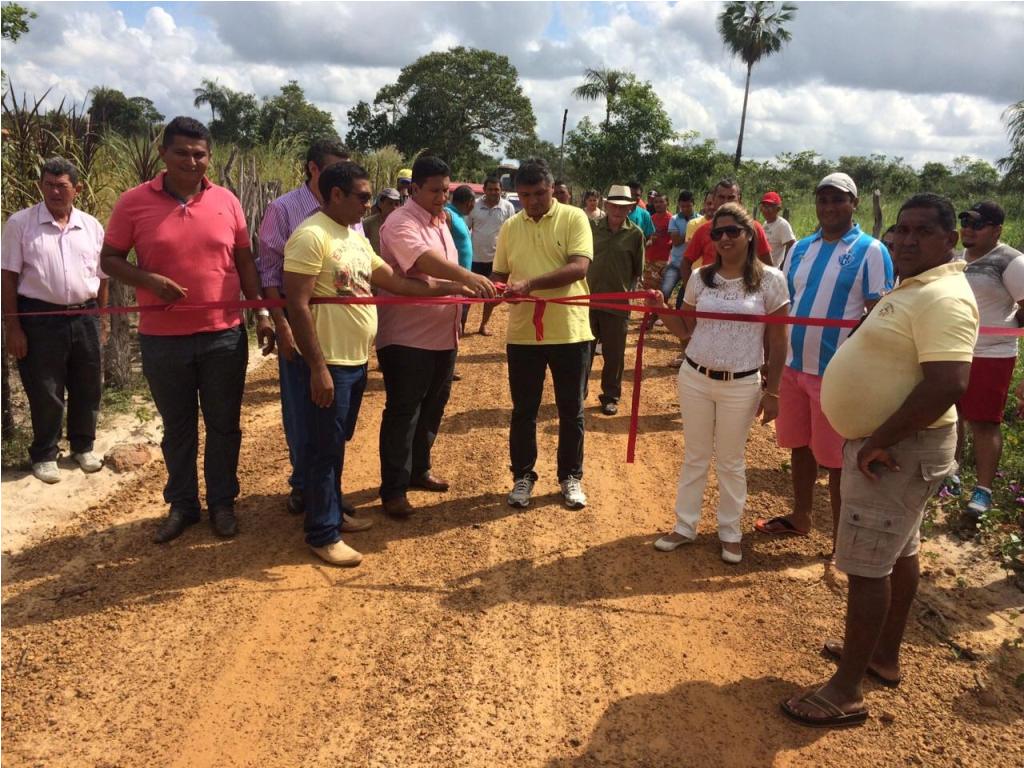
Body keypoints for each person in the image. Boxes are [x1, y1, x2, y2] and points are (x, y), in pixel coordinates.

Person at [782, 193, 978, 728]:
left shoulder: (944, 297)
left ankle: (845, 690)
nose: (907, 240)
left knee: (866, 567)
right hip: (894, 447)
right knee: (898, 553)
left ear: (950, 240)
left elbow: (949, 383)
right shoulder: (917, 287)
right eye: (902, 230)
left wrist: (877, 441)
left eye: (922, 232)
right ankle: (881, 656)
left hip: (894, 452)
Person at [283, 162, 472, 566]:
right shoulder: (310, 236)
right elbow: (296, 305)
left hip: (353, 360)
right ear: (336, 195)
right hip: (327, 361)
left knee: (335, 445)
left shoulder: (353, 237)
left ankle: (334, 513)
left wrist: (462, 286)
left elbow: (398, 282)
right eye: (363, 197)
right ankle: (322, 533)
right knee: (321, 448)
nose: (370, 203)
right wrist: (316, 367)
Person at [100, 116, 274, 543]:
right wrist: (148, 280)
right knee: (178, 428)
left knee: (224, 425)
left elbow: (244, 262)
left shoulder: (227, 201)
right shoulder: (133, 202)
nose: (192, 162)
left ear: (209, 156)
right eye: (182, 152)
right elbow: (110, 260)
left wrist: (262, 313)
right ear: (163, 153)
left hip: (223, 335)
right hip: (162, 339)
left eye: (200, 154)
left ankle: (222, 503)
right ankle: (182, 505)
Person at [756, 172, 894, 545]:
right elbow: (784, 305)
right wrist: (772, 360)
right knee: (799, 446)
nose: (830, 207)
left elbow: (879, 314)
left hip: (835, 374)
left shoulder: (871, 251)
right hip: (793, 367)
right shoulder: (801, 249)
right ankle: (801, 517)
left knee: (836, 461)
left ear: (855, 203)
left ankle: (841, 540)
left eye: (838, 199)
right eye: (823, 199)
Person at [650, 203, 789, 564]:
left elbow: (778, 340)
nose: (724, 239)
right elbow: (686, 332)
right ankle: (685, 526)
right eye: (717, 233)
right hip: (695, 376)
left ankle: (730, 532)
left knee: (730, 461)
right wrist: (661, 307)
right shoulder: (699, 278)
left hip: (741, 383)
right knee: (695, 456)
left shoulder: (772, 280)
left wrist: (773, 391)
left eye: (732, 232)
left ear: (749, 235)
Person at [376, 156, 496, 517]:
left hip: (444, 335)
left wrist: (463, 290)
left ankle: (419, 469)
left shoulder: (441, 219)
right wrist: (466, 278)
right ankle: (393, 488)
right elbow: (423, 262)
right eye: (435, 190)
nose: (443, 196)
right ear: (414, 189)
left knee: (433, 406)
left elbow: (436, 276)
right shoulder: (400, 222)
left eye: (446, 189)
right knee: (404, 411)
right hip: (406, 337)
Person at [258, 136, 355, 518]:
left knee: (336, 418)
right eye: (333, 167)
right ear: (313, 168)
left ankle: (327, 486)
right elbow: (269, 270)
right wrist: (279, 324)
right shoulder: (283, 209)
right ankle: (305, 487)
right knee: (302, 410)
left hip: (342, 332)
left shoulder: (348, 208)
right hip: (303, 329)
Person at [492, 157, 594, 509]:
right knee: (524, 410)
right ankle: (523, 477)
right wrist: (498, 289)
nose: (533, 201)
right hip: (523, 333)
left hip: (570, 331)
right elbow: (501, 274)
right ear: (516, 194)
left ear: (552, 189)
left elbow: (579, 266)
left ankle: (570, 478)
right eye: (525, 194)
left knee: (571, 409)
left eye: (539, 193)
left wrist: (530, 283)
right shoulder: (510, 227)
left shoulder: (574, 217)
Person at [1, 157, 108, 483]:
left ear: (76, 189)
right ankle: (45, 453)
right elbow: (7, 278)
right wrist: (13, 327)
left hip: (84, 315)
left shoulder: (91, 226)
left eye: (62, 186)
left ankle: (82, 446)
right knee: (45, 388)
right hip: (39, 318)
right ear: (41, 187)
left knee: (87, 384)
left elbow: (103, 277)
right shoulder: (21, 224)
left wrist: (101, 318)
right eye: (48, 185)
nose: (55, 192)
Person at [955, 201, 1024, 526]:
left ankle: (982, 491)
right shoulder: (956, 259)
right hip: (954, 350)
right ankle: (948, 477)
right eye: (965, 221)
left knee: (984, 423)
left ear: (997, 230)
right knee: (950, 417)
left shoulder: (1011, 261)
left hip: (992, 354)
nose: (968, 228)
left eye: (977, 224)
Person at [586, 185, 645, 416]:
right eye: (614, 205)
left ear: (630, 208)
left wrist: (626, 296)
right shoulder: (590, 229)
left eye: (624, 207)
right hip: (587, 301)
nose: (618, 211)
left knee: (614, 354)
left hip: (617, 305)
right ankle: (577, 391)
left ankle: (610, 396)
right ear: (606, 205)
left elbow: (637, 272)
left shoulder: (635, 234)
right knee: (583, 351)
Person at [677, 179, 772, 296]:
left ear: (739, 199)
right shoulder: (703, 230)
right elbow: (685, 263)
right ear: (714, 199)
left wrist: (762, 294)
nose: (726, 202)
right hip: (710, 296)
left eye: (731, 197)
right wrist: (692, 293)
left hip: (747, 295)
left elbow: (768, 264)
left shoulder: (754, 228)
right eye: (721, 197)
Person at [467, 176, 515, 336]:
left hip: (497, 261)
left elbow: (512, 234)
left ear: (501, 190)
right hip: (474, 259)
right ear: (484, 190)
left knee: (494, 295)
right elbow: (466, 229)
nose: (494, 192)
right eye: (490, 189)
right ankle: (460, 325)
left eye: (497, 189)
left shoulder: (508, 207)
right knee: (468, 294)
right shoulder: (474, 205)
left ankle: (484, 325)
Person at [446, 185, 476, 335]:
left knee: (462, 311)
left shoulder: (459, 217)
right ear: (469, 202)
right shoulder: (448, 215)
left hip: (464, 277)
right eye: (473, 203)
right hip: (454, 279)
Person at [660, 190, 698, 307]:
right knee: (664, 292)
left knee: (683, 299)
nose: (685, 209)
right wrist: (691, 230)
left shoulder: (701, 220)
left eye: (688, 206)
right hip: (676, 264)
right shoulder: (674, 219)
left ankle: (679, 321)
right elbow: (676, 242)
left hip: (693, 267)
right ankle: (656, 318)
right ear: (679, 205)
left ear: (693, 204)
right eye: (683, 206)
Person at [760, 191, 796, 268]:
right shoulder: (765, 223)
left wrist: (784, 264)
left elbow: (791, 244)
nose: (766, 209)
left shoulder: (782, 224)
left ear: (778, 209)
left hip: (774, 269)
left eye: (770, 206)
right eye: (764, 206)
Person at [362, 187, 401, 255]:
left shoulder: (402, 225)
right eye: (390, 203)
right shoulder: (367, 224)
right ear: (380, 204)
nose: (394, 207)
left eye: (396, 204)